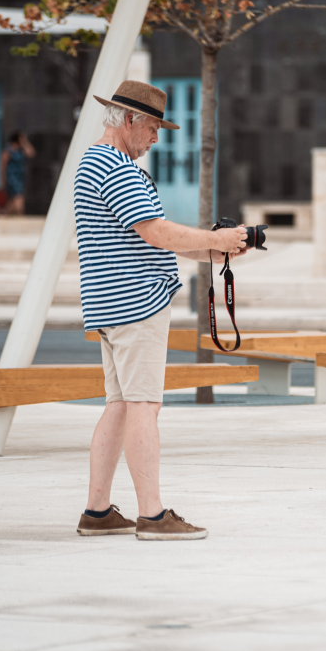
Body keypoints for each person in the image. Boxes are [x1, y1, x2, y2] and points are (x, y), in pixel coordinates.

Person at [74, 81, 250, 541]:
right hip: (136, 303)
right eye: (153, 127)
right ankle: (152, 516)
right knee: (144, 406)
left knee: (120, 405)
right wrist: (216, 241)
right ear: (129, 120)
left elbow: (144, 236)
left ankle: (97, 511)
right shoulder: (117, 169)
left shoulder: (94, 163)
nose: (156, 138)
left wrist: (216, 251)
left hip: (110, 303)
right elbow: (156, 232)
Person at [0, 131, 35, 216]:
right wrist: (3, 179)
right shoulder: (8, 150)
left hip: (20, 176)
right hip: (11, 176)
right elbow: (3, 165)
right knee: (19, 196)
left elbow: (31, 153)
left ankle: (4, 213)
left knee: (14, 199)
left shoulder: (21, 149)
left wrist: (25, 143)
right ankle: (20, 214)